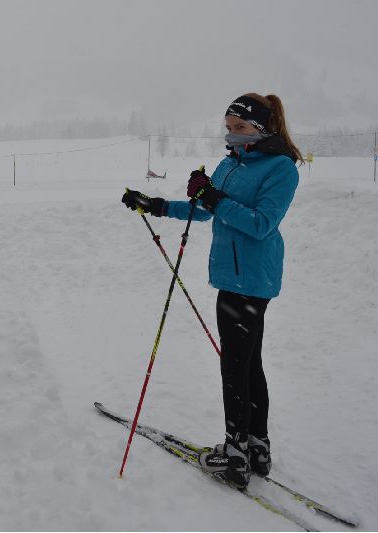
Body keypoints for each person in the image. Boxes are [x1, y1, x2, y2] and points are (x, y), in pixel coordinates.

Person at [121, 93, 302, 489]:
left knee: (234, 366)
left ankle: (235, 455)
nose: (232, 134)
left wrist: (214, 197)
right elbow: (205, 210)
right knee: (247, 364)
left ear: (262, 127)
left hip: (250, 279)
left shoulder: (281, 168)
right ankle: (257, 448)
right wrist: (156, 205)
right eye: (229, 128)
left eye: (240, 127)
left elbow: (261, 224)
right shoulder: (230, 163)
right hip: (231, 276)